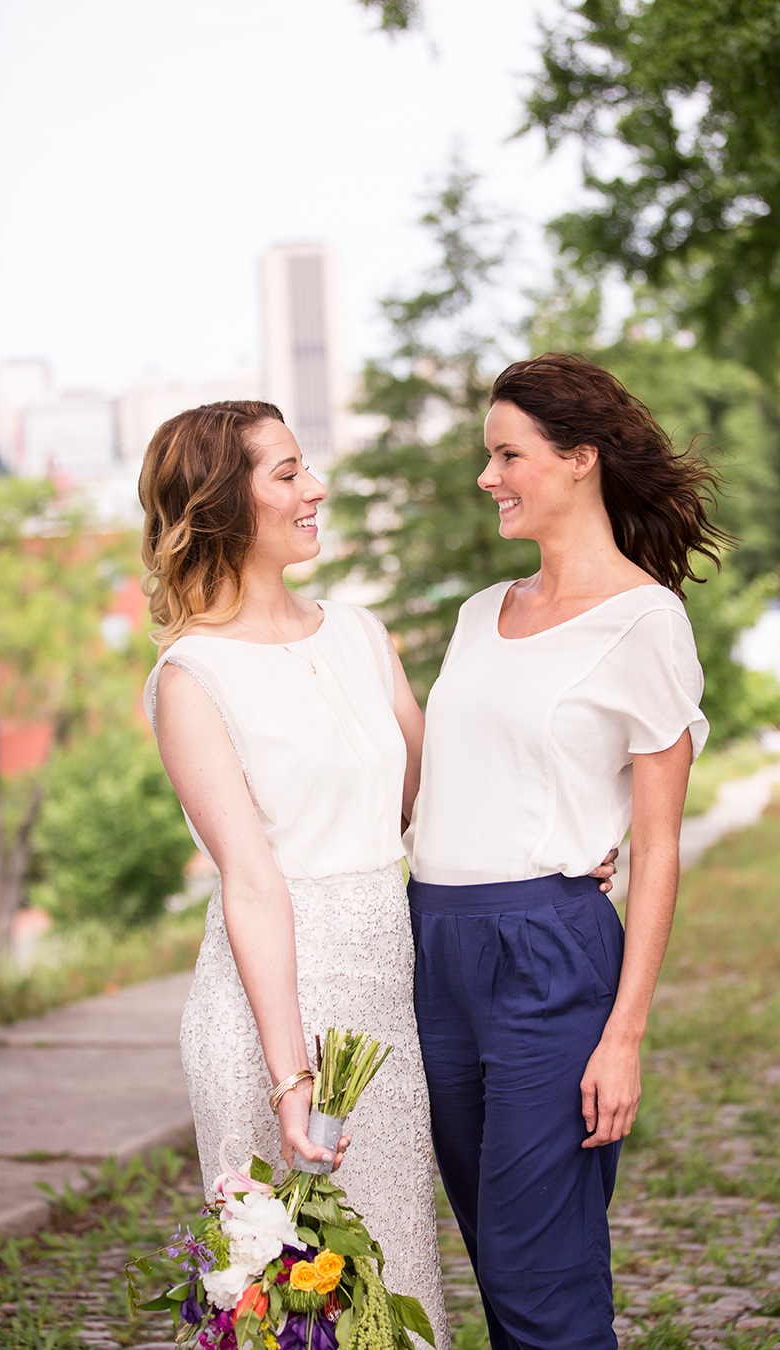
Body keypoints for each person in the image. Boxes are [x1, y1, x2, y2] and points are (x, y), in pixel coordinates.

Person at [406, 353, 723, 1350]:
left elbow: (661, 845)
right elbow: (460, 778)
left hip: (547, 951)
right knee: (492, 1258)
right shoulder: (476, 615)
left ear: (580, 458)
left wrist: (623, 1035)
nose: (488, 477)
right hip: (439, 947)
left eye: (508, 454)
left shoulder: (644, 621)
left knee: (535, 1264)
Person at [138, 400, 449, 1348]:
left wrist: (571, 845)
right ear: (223, 505)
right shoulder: (192, 676)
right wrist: (290, 1080)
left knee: (395, 1288)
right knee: (292, 1310)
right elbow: (254, 880)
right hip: (271, 1017)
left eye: (306, 466)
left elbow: (423, 811)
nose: (315, 488)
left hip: (383, 1009)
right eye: (286, 473)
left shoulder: (362, 634)